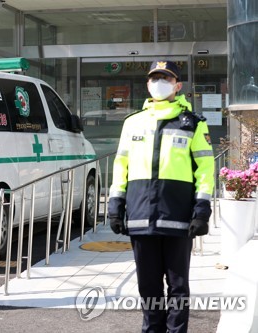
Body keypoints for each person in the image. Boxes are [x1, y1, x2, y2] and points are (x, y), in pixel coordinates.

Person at [108, 60, 214, 333]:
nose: (159, 83)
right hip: (141, 215)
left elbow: (205, 168)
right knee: (148, 285)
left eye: (166, 78)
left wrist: (202, 210)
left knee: (178, 286)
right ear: (147, 84)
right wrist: (115, 204)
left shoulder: (193, 124)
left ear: (178, 85)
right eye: (155, 78)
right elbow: (121, 165)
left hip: (178, 217)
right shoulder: (132, 123)